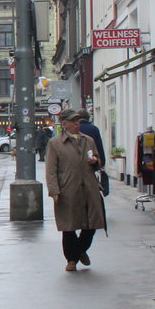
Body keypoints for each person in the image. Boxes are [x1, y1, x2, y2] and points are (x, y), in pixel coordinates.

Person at [45, 108, 106, 272]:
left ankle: (79, 251)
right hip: (68, 189)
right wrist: (54, 191)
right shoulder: (55, 143)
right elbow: (51, 170)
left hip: (89, 188)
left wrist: (95, 162)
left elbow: (99, 161)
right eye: (73, 121)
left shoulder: (88, 140)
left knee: (91, 225)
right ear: (64, 124)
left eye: (77, 121)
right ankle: (71, 260)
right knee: (69, 226)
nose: (76, 124)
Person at [76, 109, 108, 198]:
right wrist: (101, 163)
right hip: (92, 162)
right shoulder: (94, 129)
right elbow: (99, 146)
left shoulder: (75, 129)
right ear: (88, 118)